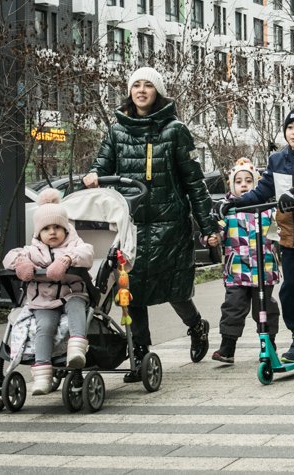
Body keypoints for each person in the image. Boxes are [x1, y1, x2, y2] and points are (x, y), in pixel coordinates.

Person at [82, 66, 219, 382]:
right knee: (131, 290)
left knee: (174, 287)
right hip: (130, 225)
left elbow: (193, 182)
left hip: (169, 224)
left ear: (157, 92)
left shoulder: (174, 130)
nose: (141, 90)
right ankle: (139, 352)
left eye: (148, 85)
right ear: (129, 91)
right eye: (136, 85)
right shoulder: (117, 132)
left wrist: (208, 225)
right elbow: (101, 165)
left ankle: (196, 325)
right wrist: (92, 175)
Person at [217, 107, 294, 362]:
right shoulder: (278, 160)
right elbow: (263, 189)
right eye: (290, 127)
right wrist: (235, 203)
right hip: (289, 239)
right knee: (289, 291)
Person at [2, 188, 95, 395]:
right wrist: (21, 262)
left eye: (57, 227)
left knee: (77, 307)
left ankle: (76, 349)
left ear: (66, 229)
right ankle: (43, 374)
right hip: (44, 300)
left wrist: (67, 259)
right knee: (44, 326)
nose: (52, 232)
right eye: (46, 229)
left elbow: (87, 253)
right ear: (38, 233)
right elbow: (9, 256)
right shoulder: (32, 250)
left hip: (72, 293)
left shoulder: (75, 245)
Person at [208, 158, 280, 364]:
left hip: (264, 268)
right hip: (237, 270)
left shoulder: (267, 208)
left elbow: (278, 234)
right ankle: (227, 347)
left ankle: (269, 344)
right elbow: (216, 230)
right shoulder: (228, 210)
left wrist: (281, 235)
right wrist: (212, 237)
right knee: (233, 307)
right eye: (238, 182)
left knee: (266, 308)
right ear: (232, 185)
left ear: (257, 184)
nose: (244, 185)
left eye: (249, 181)